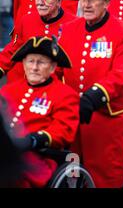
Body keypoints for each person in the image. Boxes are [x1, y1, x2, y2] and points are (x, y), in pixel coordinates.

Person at [58, 0, 123, 188]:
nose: (86, 4)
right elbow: (58, 68)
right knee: (69, 171)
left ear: (107, 2)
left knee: (105, 174)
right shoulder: (70, 29)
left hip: (108, 115)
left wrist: (94, 95)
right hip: (73, 112)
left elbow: (120, 74)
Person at [0, 36, 79, 187]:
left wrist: (36, 139)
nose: (34, 67)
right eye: (30, 61)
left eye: (41, 62)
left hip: (38, 158)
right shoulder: (8, 90)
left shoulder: (65, 94)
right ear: (23, 64)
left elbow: (64, 130)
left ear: (53, 67)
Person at [0, 0, 78, 82]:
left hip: (59, 88)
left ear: (58, 1)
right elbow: (13, 49)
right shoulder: (27, 20)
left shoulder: (74, 24)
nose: (40, 3)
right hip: (31, 85)